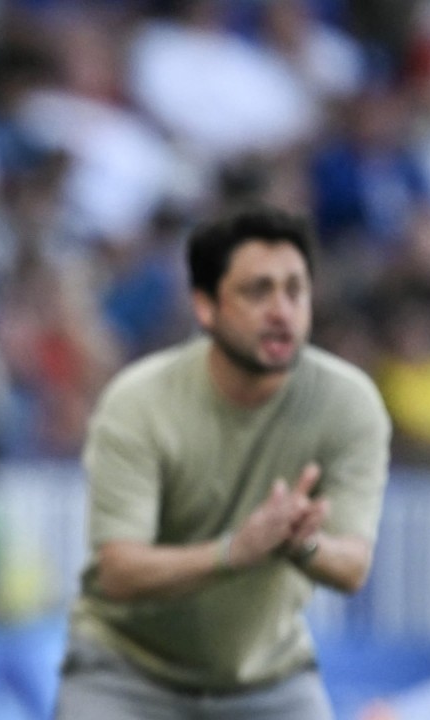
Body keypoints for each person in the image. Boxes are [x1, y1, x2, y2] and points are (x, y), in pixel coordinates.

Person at [54, 205, 391, 719]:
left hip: (269, 678)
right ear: (206, 307)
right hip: (126, 670)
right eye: (258, 292)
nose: (282, 311)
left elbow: (351, 566)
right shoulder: (139, 401)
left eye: (295, 290)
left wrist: (303, 544)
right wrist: (234, 552)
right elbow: (118, 571)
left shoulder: (350, 403)